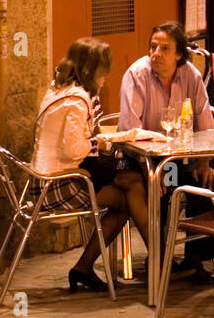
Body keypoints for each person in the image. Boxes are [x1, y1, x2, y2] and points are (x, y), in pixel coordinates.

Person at [31, 38, 149, 293]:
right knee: (132, 193)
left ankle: (86, 268)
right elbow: (74, 149)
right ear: (92, 69)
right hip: (60, 183)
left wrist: (94, 140)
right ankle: (159, 260)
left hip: (46, 175)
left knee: (132, 183)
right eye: (103, 68)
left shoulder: (58, 88)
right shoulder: (76, 100)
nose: (105, 75)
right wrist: (98, 140)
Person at [119, 21, 214, 281]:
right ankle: (160, 259)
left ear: (178, 54)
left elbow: (205, 124)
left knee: (203, 187)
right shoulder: (136, 75)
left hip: (178, 158)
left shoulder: (191, 76)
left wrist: (205, 163)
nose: (156, 54)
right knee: (162, 191)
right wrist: (153, 170)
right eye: (153, 47)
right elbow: (132, 132)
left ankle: (195, 260)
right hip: (142, 160)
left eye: (165, 49)